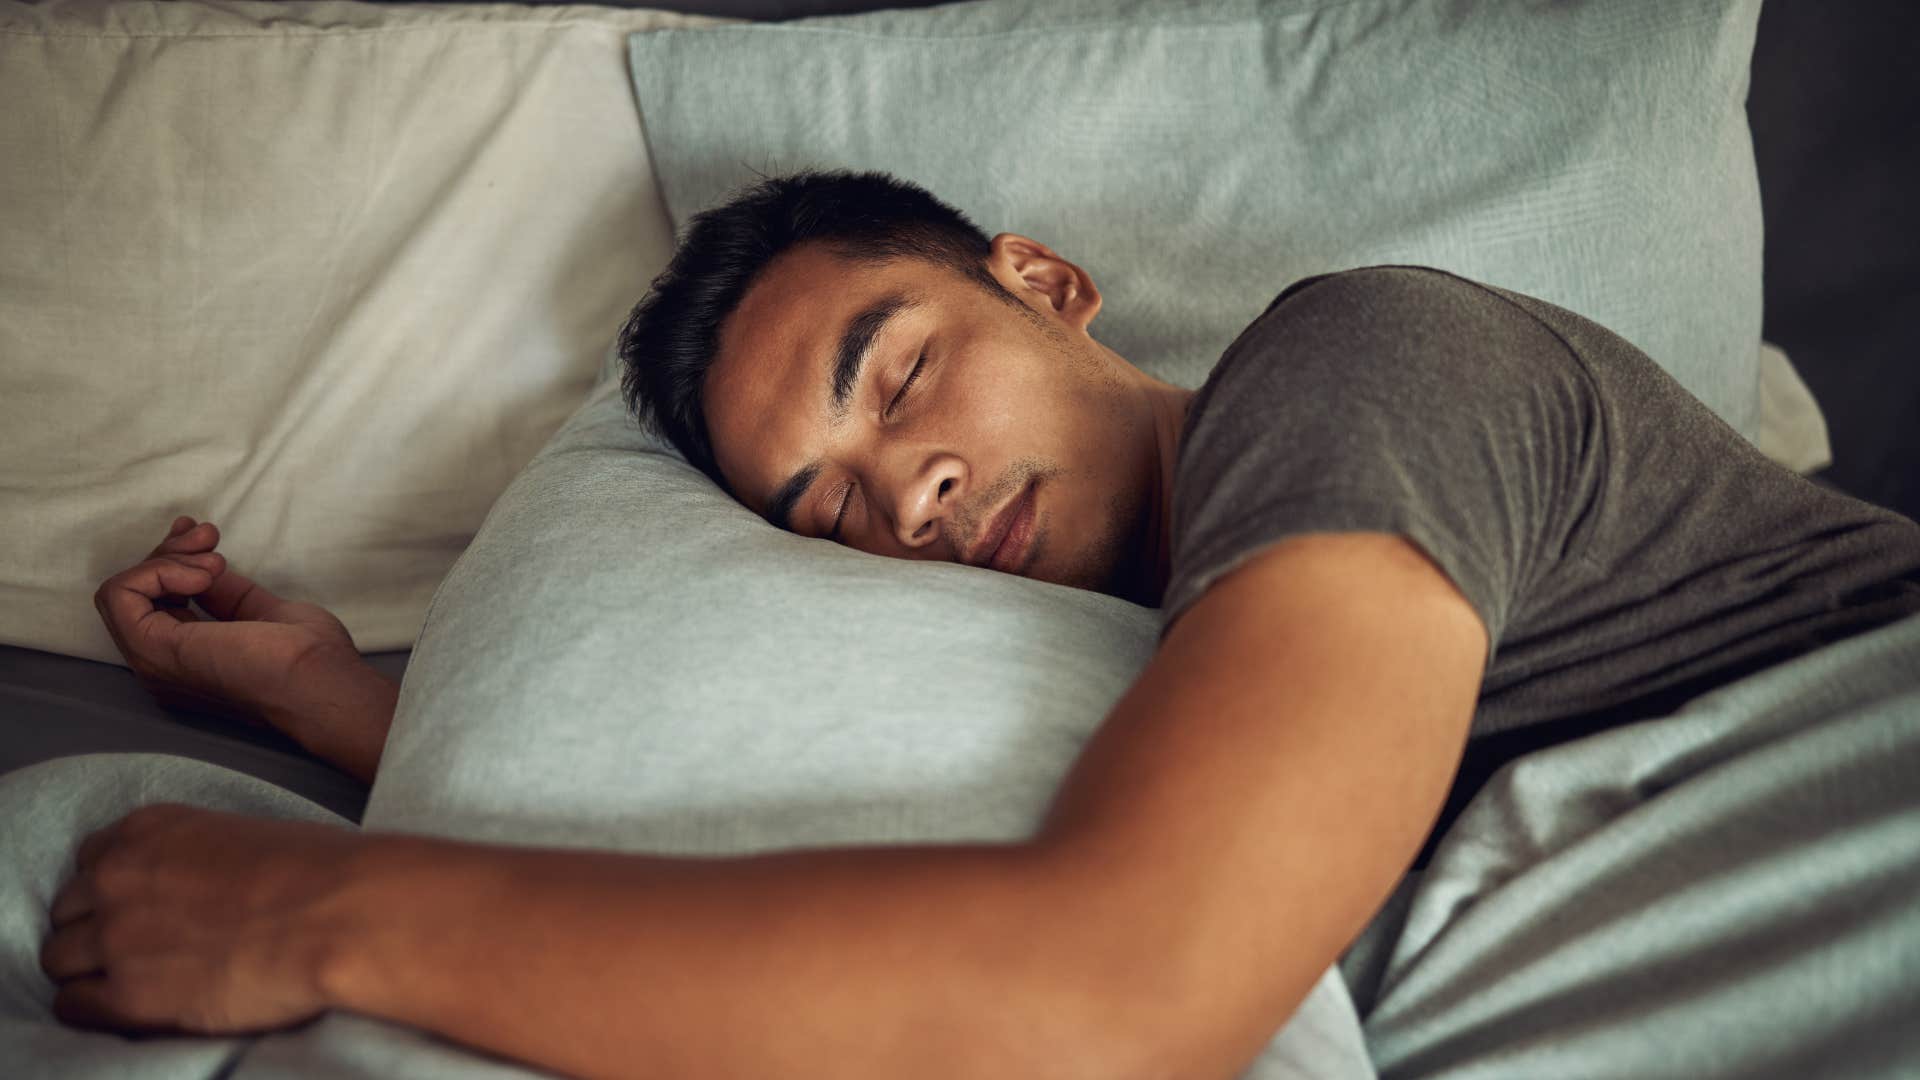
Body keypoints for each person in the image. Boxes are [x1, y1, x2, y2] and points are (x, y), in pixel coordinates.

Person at [42, 170, 1920, 1077]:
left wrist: (325, 909)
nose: (907, 493)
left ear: (1048, 283)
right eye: (827, 509)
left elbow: (1131, 984)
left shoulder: (1354, 368)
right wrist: (361, 714)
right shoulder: (1148, 639)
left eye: (905, 371)